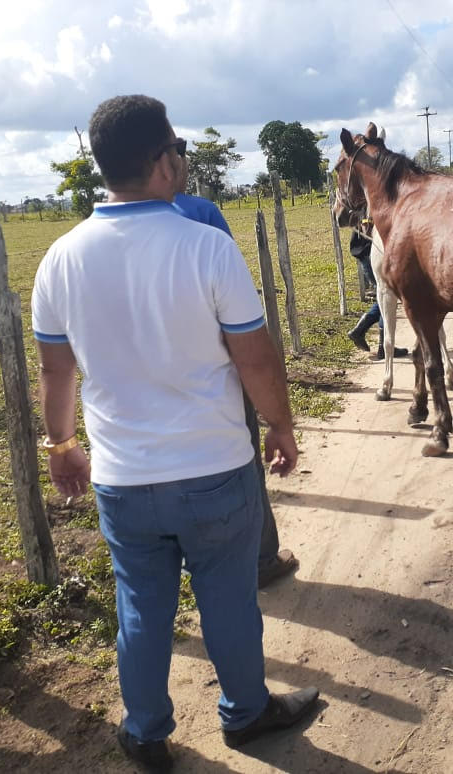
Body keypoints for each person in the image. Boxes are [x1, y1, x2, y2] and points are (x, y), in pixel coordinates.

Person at [31, 95, 318, 771]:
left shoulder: (60, 259)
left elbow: (54, 370)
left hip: (124, 480)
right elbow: (254, 356)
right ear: (162, 164)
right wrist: (279, 425)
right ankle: (246, 715)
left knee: (141, 609)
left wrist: (62, 445)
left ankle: (147, 731)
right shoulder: (207, 247)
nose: (183, 159)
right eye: (178, 148)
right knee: (226, 601)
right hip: (213, 470)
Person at [171, 190, 299, 588]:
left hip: (154, 385)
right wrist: (279, 421)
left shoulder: (88, 237)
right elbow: (236, 310)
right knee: (241, 461)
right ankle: (260, 558)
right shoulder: (202, 213)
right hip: (216, 371)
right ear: (166, 160)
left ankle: (190, 563)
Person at [346, 222, 408, 361]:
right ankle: (372, 339)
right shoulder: (370, 205)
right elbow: (367, 227)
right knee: (386, 297)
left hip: (369, 253)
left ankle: (367, 335)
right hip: (371, 254)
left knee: (385, 297)